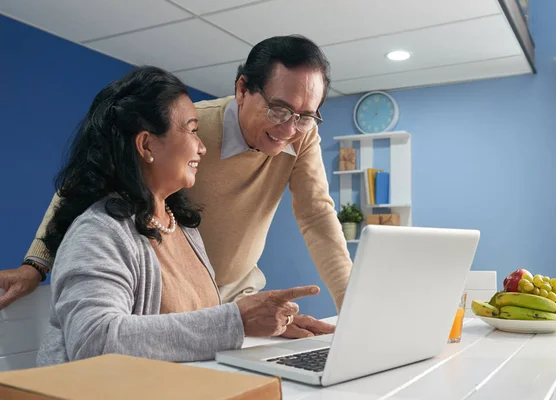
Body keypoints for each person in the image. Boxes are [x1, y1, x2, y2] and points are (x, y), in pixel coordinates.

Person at [1, 35, 352, 337]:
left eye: (306, 116)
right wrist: (37, 264)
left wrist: (353, 310)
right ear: (243, 89)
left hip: (229, 299)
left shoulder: (302, 137)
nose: (290, 128)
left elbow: (317, 217)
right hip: (168, 303)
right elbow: (84, 179)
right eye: (279, 110)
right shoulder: (185, 130)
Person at [36, 65, 329, 366]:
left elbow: (195, 326)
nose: (202, 147)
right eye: (191, 131)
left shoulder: (182, 228)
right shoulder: (98, 233)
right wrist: (237, 321)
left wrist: (263, 323)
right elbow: (95, 341)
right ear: (147, 144)